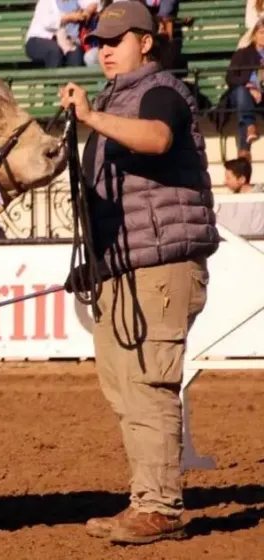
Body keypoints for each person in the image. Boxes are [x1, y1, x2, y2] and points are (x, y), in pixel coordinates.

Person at [59, 0, 219, 546]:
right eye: (98, 42)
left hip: (162, 268)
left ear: (146, 42)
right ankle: (147, 500)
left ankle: (160, 506)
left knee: (149, 384)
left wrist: (91, 119)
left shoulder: (160, 92)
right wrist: (96, 263)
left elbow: (157, 139)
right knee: (126, 388)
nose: (103, 49)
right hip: (125, 268)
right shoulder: (115, 102)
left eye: (115, 39)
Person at [226, 17, 264, 158]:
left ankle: (244, 149)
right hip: (240, 93)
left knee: (244, 101)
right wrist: (248, 85)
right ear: (254, 35)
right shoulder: (242, 53)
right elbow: (230, 78)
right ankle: (249, 132)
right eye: (261, 32)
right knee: (242, 94)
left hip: (262, 95)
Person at [25, 0, 96, 68]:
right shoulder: (45, 1)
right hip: (38, 41)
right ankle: (54, 80)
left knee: (76, 54)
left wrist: (87, 12)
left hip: (68, 42)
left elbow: (93, 3)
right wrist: (68, 17)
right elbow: (47, 22)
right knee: (54, 51)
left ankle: (71, 81)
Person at [214, 157, 264, 236]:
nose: (225, 182)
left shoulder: (259, 201)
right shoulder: (227, 201)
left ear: (242, 179)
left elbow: (258, 232)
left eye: (228, 178)